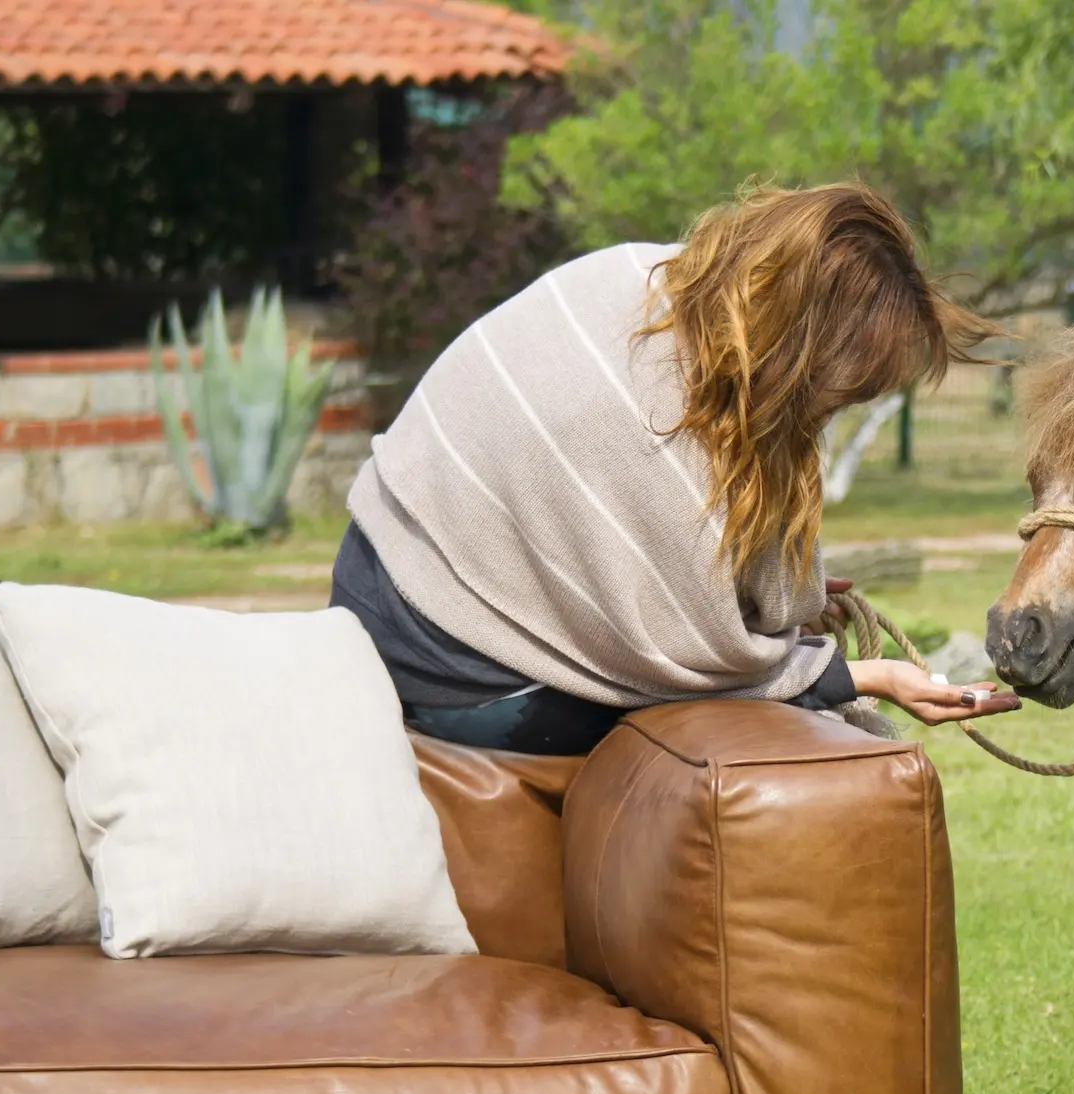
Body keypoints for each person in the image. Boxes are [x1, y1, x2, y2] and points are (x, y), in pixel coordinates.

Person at [331, 183, 1021, 756]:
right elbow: (698, 656)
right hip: (448, 666)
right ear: (804, 354)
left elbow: (652, 562)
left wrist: (766, 592)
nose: (834, 409)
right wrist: (864, 677)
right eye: (843, 386)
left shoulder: (643, 273)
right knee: (721, 729)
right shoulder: (663, 428)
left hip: (374, 576)